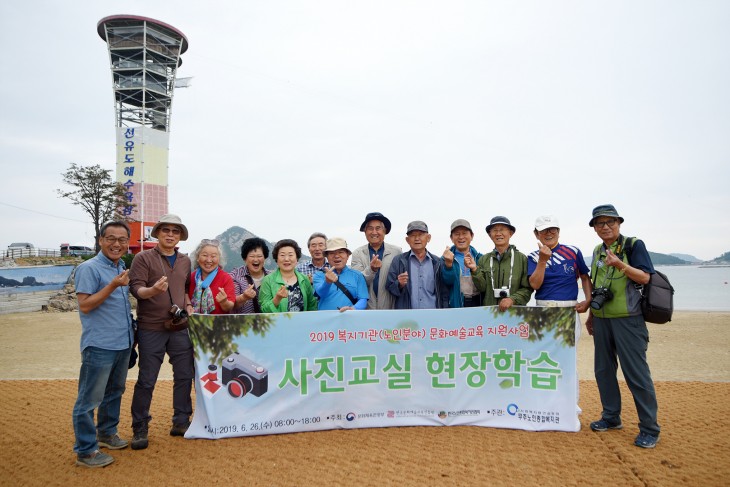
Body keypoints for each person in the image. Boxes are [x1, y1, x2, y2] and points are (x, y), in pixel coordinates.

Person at [585, 204, 660, 449]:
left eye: (610, 222)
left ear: (619, 223)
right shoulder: (597, 250)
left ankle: (649, 428)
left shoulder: (633, 245)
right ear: (594, 228)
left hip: (629, 318)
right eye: (600, 223)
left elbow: (646, 277)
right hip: (603, 319)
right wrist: (592, 315)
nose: (605, 227)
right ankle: (611, 417)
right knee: (603, 371)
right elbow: (597, 284)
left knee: (636, 373)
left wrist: (620, 265)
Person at [72, 221, 135, 468]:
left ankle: (107, 433)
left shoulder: (120, 267)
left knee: (114, 392)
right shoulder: (89, 268)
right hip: (99, 345)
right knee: (89, 399)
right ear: (100, 240)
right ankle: (86, 451)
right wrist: (113, 285)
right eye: (111, 238)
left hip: (122, 343)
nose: (116, 244)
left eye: (122, 239)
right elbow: (85, 305)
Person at [128, 214, 194, 450]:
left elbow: (186, 289)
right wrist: (152, 290)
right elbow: (136, 289)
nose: (170, 234)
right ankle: (140, 426)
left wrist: (187, 306)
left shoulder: (186, 261)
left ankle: (181, 421)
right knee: (147, 379)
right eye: (165, 230)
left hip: (179, 327)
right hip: (150, 327)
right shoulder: (143, 258)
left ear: (180, 237)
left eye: (175, 231)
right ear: (156, 233)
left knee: (185, 374)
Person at [528, 215, 592, 312]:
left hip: (570, 308)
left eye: (552, 229)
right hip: (543, 308)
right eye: (544, 230)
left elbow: (585, 277)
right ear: (536, 234)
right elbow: (535, 285)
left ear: (558, 232)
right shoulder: (533, 257)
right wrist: (542, 260)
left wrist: (588, 299)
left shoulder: (573, 251)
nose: (548, 233)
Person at [472, 216, 532, 310]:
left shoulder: (522, 258)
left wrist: (512, 299)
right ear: (490, 234)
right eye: (495, 230)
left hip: (515, 314)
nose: (498, 233)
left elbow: (528, 288)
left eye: (502, 230)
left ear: (510, 233)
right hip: (490, 315)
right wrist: (474, 270)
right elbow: (481, 288)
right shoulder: (483, 260)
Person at [386, 221, 449, 309]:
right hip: (408, 318)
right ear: (407, 240)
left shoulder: (437, 262)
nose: (417, 238)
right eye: (412, 235)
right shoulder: (398, 260)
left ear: (428, 238)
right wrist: (399, 284)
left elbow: (444, 293)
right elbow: (389, 287)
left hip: (433, 316)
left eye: (420, 234)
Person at [351, 212, 402, 310]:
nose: (374, 232)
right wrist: (372, 269)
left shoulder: (396, 251)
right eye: (370, 228)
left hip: (391, 309)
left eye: (378, 228)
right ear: (365, 231)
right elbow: (357, 283)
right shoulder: (358, 253)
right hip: (366, 309)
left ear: (384, 231)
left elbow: (398, 283)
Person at [259, 239, 317, 312]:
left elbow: (312, 305)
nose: (286, 259)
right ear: (276, 258)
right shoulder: (268, 280)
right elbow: (263, 310)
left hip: (302, 322)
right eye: (282, 255)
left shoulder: (304, 279)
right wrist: (277, 299)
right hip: (279, 323)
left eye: (290, 255)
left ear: (297, 258)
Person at [313, 238, 368, 311]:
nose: (336, 256)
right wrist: (327, 282)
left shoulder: (357, 276)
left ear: (347, 256)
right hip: (325, 320)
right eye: (332, 253)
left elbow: (363, 299)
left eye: (341, 252)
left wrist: (353, 309)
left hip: (350, 319)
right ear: (327, 257)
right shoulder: (319, 275)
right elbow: (320, 294)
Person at [441, 219, 483, 308]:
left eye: (464, 233)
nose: (461, 237)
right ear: (451, 238)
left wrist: (474, 269)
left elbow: (483, 287)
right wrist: (448, 265)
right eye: (457, 234)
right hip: (455, 307)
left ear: (472, 236)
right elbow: (447, 283)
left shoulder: (481, 258)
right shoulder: (444, 258)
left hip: (478, 306)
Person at [188, 239, 235, 314]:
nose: (209, 260)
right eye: (205, 255)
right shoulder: (191, 277)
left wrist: (224, 302)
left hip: (218, 324)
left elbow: (229, 307)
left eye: (213, 256)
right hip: (193, 323)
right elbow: (184, 296)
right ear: (197, 257)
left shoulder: (225, 278)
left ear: (219, 259)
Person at [229, 237, 270, 313]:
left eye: (259, 256)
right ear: (245, 258)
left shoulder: (271, 277)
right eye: (252, 256)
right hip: (242, 323)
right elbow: (231, 304)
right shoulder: (235, 276)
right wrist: (243, 297)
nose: (255, 259)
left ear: (265, 258)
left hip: (268, 323)